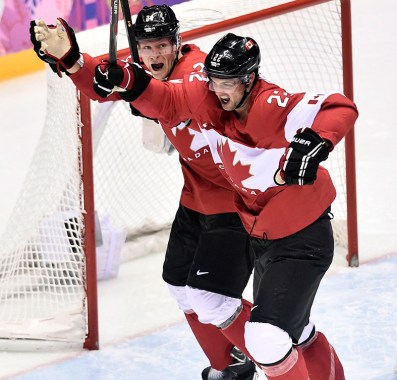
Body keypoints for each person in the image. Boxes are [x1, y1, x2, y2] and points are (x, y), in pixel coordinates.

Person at [90, 32, 357, 380]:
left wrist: (316, 141)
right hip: (263, 237)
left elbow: (340, 107)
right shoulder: (207, 97)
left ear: (249, 79)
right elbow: (163, 97)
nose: (218, 90)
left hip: (303, 237)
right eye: (214, 81)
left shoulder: (269, 105)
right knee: (293, 331)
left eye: (228, 82)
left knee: (266, 339)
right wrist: (126, 80)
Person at [29, 7, 256, 379]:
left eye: (162, 46)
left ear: (176, 43)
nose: (154, 56)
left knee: (211, 299)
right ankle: (229, 366)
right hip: (195, 198)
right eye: (146, 47)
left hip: (236, 203)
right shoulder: (146, 70)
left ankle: (283, 357)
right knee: (180, 289)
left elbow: (170, 97)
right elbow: (102, 82)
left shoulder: (198, 71)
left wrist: (134, 84)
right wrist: (71, 60)